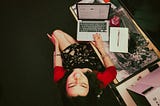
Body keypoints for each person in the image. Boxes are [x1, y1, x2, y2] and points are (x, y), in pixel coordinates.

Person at [47, 30, 117, 106]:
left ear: (65, 87)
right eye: (83, 85)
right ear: (90, 89)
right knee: (93, 36)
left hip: (73, 58)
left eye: (71, 85)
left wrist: (56, 45)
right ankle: (82, 43)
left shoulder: (60, 79)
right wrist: (100, 48)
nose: (77, 76)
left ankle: (80, 43)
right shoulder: (98, 82)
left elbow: (58, 64)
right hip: (92, 57)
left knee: (56, 33)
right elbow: (112, 71)